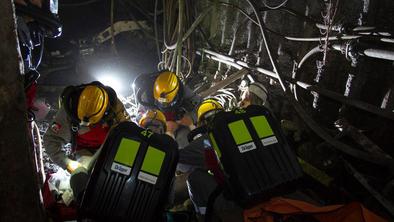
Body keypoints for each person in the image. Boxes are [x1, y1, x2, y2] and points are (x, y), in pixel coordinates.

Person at [43, 81, 130, 173]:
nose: (87, 125)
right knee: (87, 174)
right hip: (84, 150)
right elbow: (51, 139)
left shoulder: (115, 108)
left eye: (92, 122)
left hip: (111, 148)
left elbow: (129, 133)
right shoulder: (68, 110)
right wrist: (67, 163)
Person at [134, 70, 201, 148]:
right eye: (161, 102)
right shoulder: (147, 96)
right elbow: (139, 117)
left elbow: (200, 105)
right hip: (159, 127)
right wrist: (159, 124)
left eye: (167, 103)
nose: (164, 106)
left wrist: (190, 118)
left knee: (185, 140)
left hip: (180, 124)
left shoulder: (182, 91)